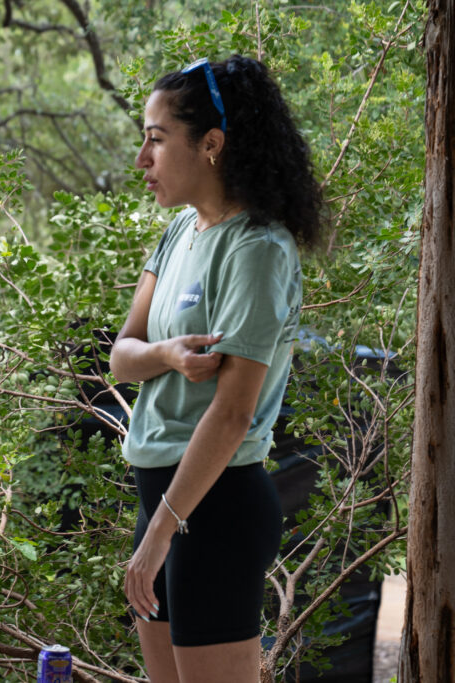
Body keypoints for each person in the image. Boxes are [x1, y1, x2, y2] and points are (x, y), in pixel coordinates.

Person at [110, 55, 322, 682]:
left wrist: (159, 538)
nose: (142, 160)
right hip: (165, 504)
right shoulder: (180, 231)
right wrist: (166, 355)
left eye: (155, 138)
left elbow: (231, 415)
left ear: (211, 144)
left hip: (215, 506)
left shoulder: (257, 250)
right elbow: (123, 357)